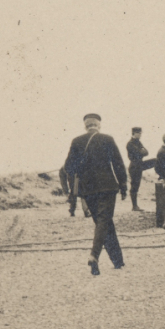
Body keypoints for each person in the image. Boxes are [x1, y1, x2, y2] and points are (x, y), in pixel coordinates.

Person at [64, 113, 128, 275]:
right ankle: (94, 255)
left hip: (88, 189)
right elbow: (118, 164)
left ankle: (117, 260)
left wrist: (77, 181)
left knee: (103, 222)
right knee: (104, 221)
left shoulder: (77, 141)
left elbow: (68, 168)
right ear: (98, 125)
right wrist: (123, 185)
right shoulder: (107, 139)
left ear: (86, 126)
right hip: (107, 187)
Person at [125, 127, 156, 212]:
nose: (140, 134)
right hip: (134, 166)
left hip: (140, 164)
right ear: (134, 133)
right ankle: (134, 206)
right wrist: (141, 151)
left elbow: (146, 152)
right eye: (138, 133)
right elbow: (140, 152)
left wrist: (141, 151)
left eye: (140, 133)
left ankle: (161, 175)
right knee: (135, 185)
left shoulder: (138, 142)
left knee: (156, 160)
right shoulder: (130, 143)